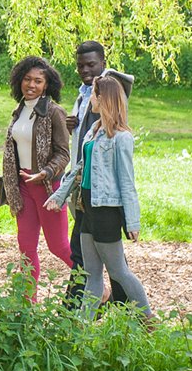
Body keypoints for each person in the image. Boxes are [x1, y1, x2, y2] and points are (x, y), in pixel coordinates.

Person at [45, 75, 152, 318]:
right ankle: (82, 328)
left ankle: (148, 319)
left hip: (106, 212)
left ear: (103, 99)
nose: (89, 99)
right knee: (91, 274)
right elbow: (79, 169)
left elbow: (127, 181)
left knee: (118, 272)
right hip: (86, 209)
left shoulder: (121, 138)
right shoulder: (93, 132)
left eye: (93, 94)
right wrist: (59, 197)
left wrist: (132, 221)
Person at [66, 41, 134, 304]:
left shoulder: (108, 88)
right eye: (80, 65)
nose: (85, 70)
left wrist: (132, 220)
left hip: (102, 193)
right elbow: (85, 135)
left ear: (104, 62)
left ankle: (73, 312)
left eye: (91, 64)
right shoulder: (84, 93)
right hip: (85, 187)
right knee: (98, 257)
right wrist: (71, 122)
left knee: (92, 257)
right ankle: (122, 309)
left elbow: (111, 122)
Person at [1, 56, 73, 288]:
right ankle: (27, 305)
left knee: (59, 246)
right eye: (27, 79)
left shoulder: (54, 112)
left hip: (47, 187)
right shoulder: (19, 110)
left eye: (38, 81)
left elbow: (64, 154)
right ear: (19, 81)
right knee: (26, 249)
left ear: (47, 85)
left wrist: (46, 172)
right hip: (22, 187)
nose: (31, 85)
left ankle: (99, 286)